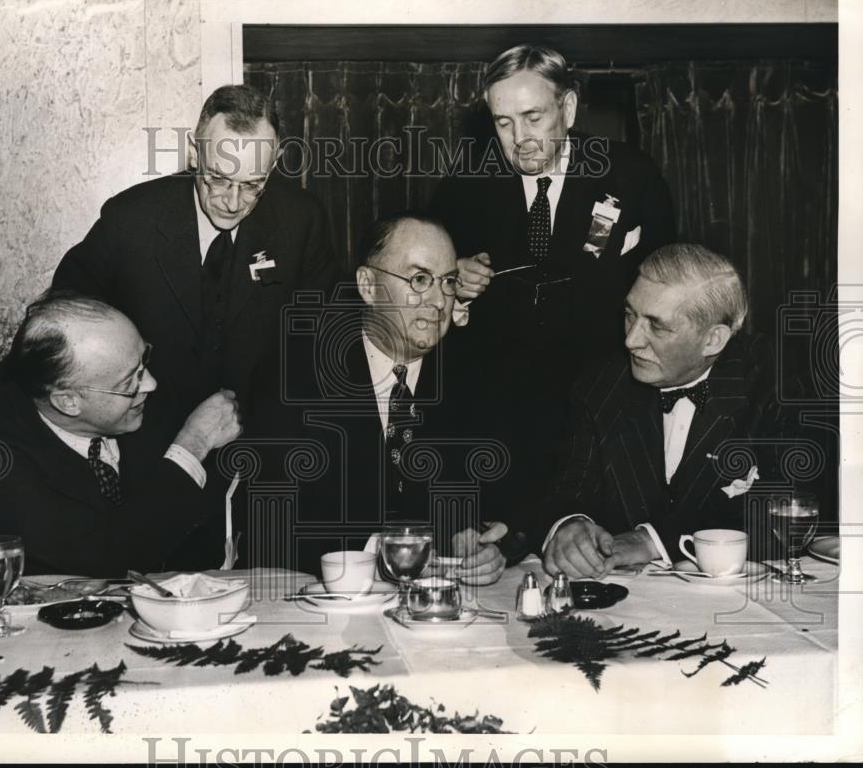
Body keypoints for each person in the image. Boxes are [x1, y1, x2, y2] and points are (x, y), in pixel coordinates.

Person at [431, 44, 677, 522]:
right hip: (499, 419)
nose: (520, 138)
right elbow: (423, 285)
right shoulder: (464, 185)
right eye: (504, 122)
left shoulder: (631, 176)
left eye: (533, 117)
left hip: (602, 410)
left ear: (568, 107)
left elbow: (665, 283)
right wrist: (452, 276)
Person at [240, 213, 510, 584]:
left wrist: (481, 542)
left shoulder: (474, 376)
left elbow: (500, 501)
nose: (439, 301)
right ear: (368, 286)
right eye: (419, 279)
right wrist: (383, 555)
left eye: (448, 282)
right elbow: (272, 526)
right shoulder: (294, 377)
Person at [52, 84, 339, 428]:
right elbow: (61, 321)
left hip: (260, 436)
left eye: (252, 185)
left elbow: (318, 345)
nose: (232, 202)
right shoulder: (130, 220)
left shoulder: (301, 221)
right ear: (193, 153)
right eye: (218, 178)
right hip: (148, 436)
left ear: (274, 163)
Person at [0, 292, 242, 578]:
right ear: (68, 402)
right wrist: (194, 443)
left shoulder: (116, 374)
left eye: (144, 361)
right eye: (129, 383)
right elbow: (107, 559)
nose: (151, 383)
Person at [536, 244, 797, 578]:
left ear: (713, 340)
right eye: (630, 314)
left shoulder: (774, 379)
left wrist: (654, 541)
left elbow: (789, 512)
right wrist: (570, 524)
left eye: (656, 326)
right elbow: (570, 486)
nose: (631, 340)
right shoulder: (601, 383)